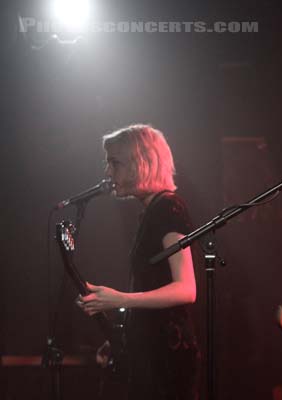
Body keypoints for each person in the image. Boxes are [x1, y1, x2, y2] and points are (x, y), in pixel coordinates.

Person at [77, 124, 199, 400]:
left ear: (140, 164)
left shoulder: (169, 207)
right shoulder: (150, 211)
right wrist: (124, 337)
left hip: (167, 355)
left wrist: (120, 299)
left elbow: (186, 288)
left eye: (114, 163)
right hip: (149, 350)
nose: (108, 172)